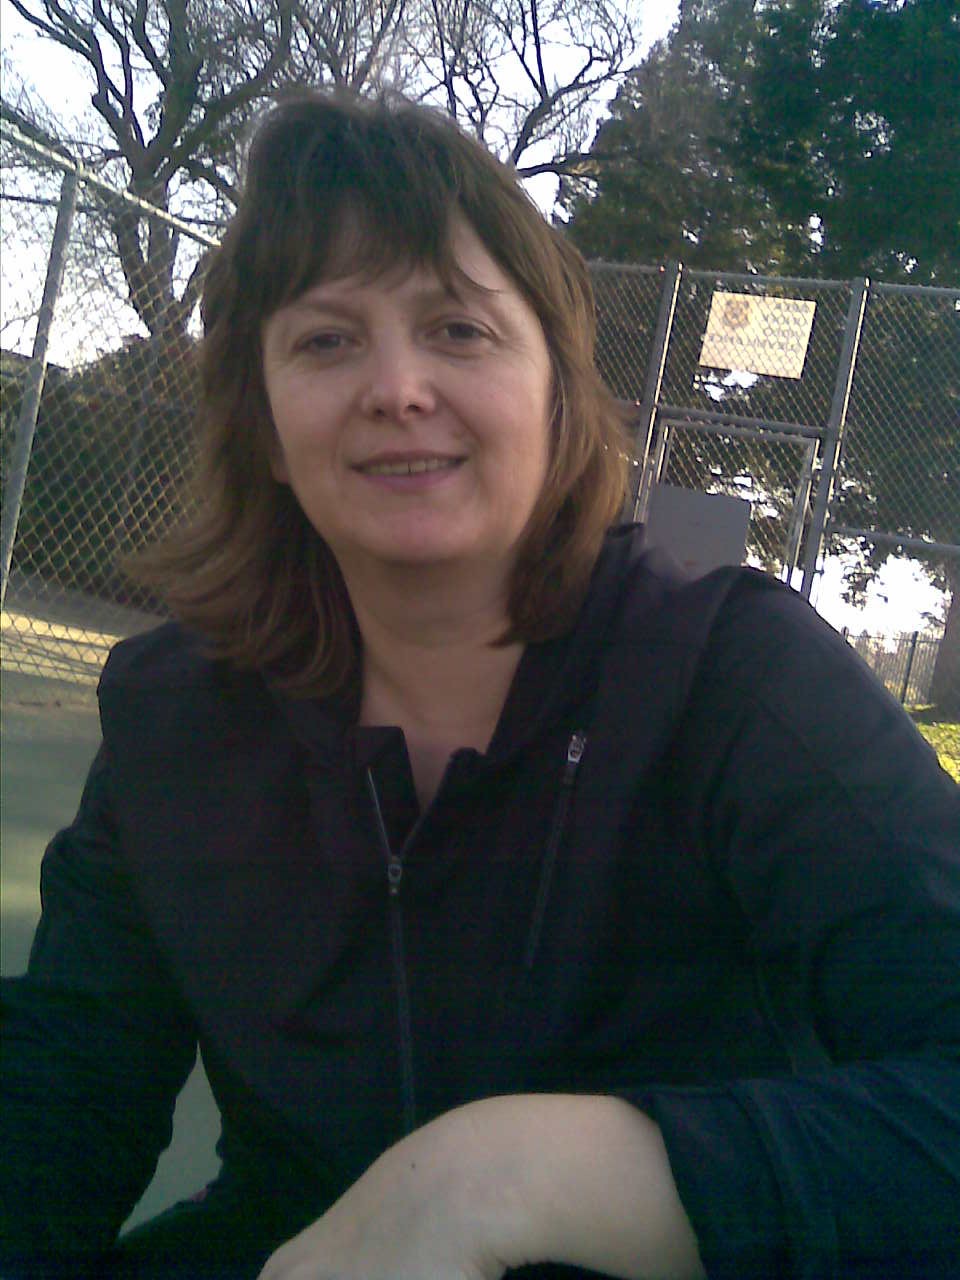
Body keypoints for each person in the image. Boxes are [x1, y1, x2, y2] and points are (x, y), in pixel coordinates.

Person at [1, 89, 959, 1280]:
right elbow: (63, 1089)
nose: (397, 386)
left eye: (457, 329)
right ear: (266, 425)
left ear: (556, 396)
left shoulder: (735, 673)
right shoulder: (174, 712)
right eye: (326, 340)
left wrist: (517, 1177)